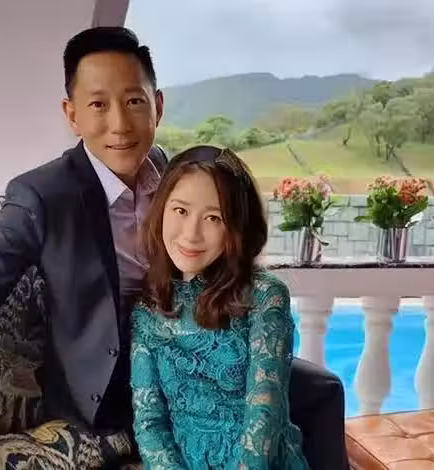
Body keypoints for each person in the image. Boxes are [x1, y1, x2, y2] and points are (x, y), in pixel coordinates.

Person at [0, 27, 348, 469]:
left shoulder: (174, 176)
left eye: (134, 101)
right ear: (72, 114)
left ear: (157, 106)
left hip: (191, 357)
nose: (120, 124)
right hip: (106, 390)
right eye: (98, 104)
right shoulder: (42, 198)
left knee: (322, 388)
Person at [130, 145, 308, 469]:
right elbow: (150, 424)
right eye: (180, 211)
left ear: (237, 226)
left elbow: (264, 418)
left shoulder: (265, 297)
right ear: (161, 210)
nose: (191, 234)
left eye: (213, 218)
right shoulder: (148, 309)